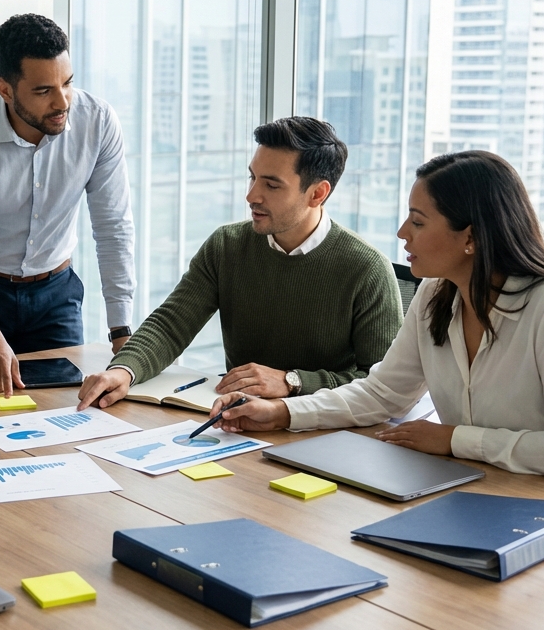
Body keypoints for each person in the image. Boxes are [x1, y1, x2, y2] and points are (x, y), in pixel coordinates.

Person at [209, 150, 544, 483]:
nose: (402, 234)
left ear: (470, 237)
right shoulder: (436, 294)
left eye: (418, 222)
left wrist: (454, 440)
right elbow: (381, 394)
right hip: (485, 486)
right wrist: (279, 413)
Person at [77, 116, 402, 411]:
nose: (252, 195)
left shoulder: (367, 269)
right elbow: (171, 325)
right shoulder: (226, 245)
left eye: (271, 185)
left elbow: (383, 387)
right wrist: (124, 370)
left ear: (317, 194)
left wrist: (292, 382)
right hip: (238, 421)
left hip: (324, 432)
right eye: (252, 177)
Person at [0, 13, 136, 396]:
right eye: (43, 91)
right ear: (5, 90)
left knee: (66, 413)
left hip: (55, 294)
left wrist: (122, 330)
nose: (62, 102)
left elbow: (113, 228)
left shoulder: (98, 122)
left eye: (68, 83)